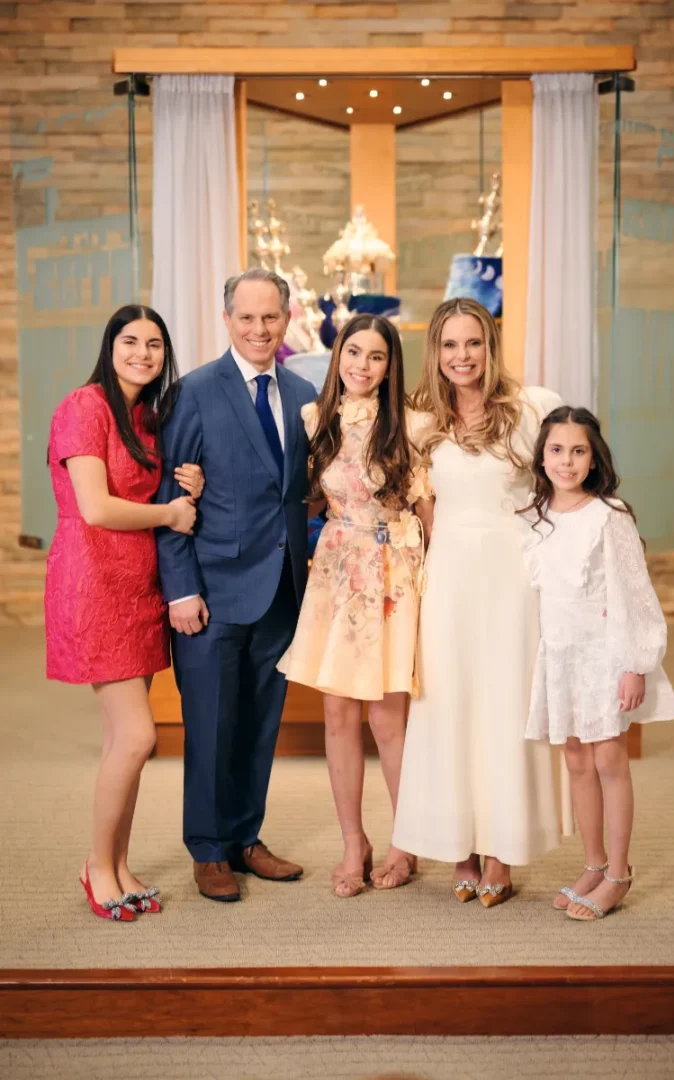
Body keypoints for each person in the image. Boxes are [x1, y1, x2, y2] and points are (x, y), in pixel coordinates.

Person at [392, 297, 572, 907]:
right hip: (448, 578)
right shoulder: (421, 422)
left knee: (502, 706)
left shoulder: (531, 410)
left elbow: (565, 491)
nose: (461, 357)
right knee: (449, 706)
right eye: (450, 346)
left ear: (490, 348)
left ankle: (500, 851)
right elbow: (422, 510)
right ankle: (460, 847)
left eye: (473, 344)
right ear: (435, 353)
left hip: (511, 577)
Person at [155, 268, 316, 903]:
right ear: (227, 320)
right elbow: (170, 496)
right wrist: (181, 589)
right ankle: (209, 849)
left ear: (285, 319)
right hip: (213, 592)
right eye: (246, 318)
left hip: (280, 590)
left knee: (259, 725)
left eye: (269, 318)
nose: (258, 329)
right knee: (211, 725)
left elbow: (302, 492)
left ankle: (247, 839)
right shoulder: (194, 391)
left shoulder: (304, 391)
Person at [45, 304, 204, 922]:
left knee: (123, 742)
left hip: (139, 586)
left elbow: (154, 490)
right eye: (131, 341)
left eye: (156, 344)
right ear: (110, 346)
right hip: (92, 582)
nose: (143, 353)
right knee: (139, 736)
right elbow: (96, 507)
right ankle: (95, 865)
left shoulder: (147, 417)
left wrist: (185, 482)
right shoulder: (84, 406)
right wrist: (170, 513)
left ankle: (118, 863)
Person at [278, 314, 431, 897]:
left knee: (388, 720)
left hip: (393, 576)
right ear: (337, 355)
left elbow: (429, 515)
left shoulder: (415, 424)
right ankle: (353, 844)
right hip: (337, 575)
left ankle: (404, 842)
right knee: (338, 715)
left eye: (376, 357)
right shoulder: (314, 419)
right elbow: (307, 499)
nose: (362, 366)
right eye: (353, 353)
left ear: (391, 366)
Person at [519, 405, 674, 920]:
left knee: (609, 759)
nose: (566, 461)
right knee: (575, 757)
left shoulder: (608, 516)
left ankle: (618, 872)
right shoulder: (534, 516)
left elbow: (635, 594)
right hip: (560, 654)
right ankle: (592, 863)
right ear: (542, 455)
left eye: (578, 451)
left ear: (594, 459)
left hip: (602, 653)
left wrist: (634, 663)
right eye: (556, 450)